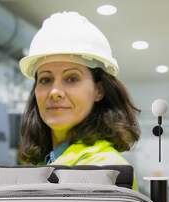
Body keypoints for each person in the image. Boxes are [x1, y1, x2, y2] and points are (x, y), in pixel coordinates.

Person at [18, 12, 140, 191]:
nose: (55, 92)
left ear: (99, 90)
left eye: (71, 78)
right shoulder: (47, 162)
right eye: (45, 79)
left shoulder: (105, 169)